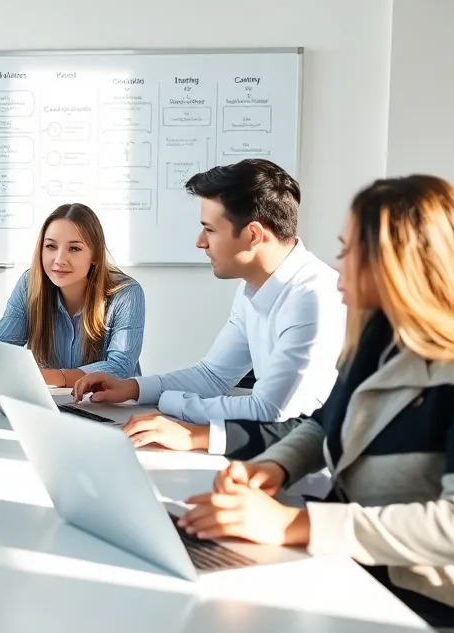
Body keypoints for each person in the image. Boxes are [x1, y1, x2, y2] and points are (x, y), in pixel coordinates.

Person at [177, 174, 454, 633]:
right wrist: (273, 467)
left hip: (449, 622)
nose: (338, 267)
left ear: (401, 264)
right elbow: (326, 423)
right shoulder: (381, 342)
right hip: (356, 582)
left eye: (349, 252)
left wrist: (294, 524)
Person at [74, 159, 345, 457]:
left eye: (210, 230)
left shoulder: (313, 296)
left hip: (306, 468)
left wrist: (173, 407)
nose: (200, 242)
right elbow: (213, 375)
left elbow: (270, 411)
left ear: (253, 234)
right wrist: (133, 388)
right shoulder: (252, 287)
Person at [0, 203, 146, 385]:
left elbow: (120, 367)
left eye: (74, 249)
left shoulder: (126, 294)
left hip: (108, 401)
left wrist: (57, 377)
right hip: (51, 399)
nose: (59, 260)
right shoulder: (30, 285)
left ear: (95, 255)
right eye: (51, 246)